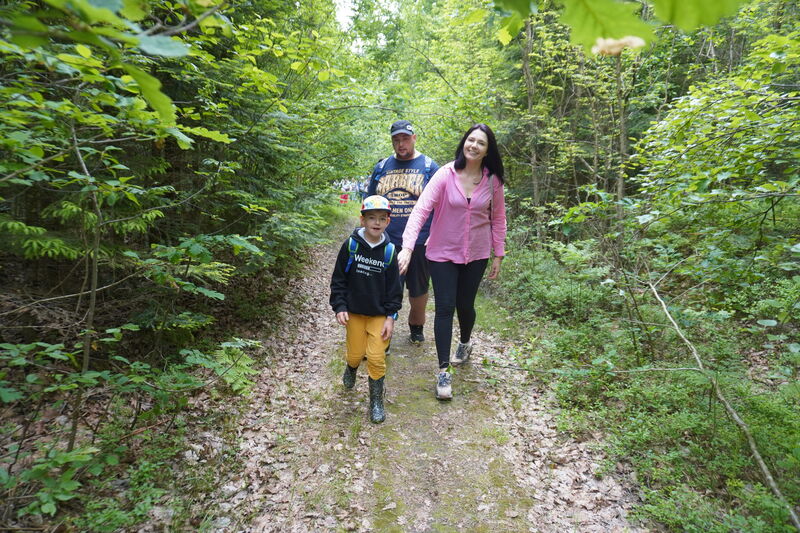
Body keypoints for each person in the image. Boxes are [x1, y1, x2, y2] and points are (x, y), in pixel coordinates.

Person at [398, 124, 507, 400]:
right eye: (470, 140)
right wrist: (408, 248)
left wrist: (499, 253)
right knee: (445, 308)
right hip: (443, 252)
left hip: (477, 254)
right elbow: (421, 209)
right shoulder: (445, 174)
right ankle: (443, 371)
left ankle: (466, 342)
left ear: (487, 150)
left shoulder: (493, 181)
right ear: (464, 143)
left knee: (465, 306)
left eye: (480, 143)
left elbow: (498, 219)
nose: (474, 145)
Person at [366, 119, 440, 346]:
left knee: (418, 290)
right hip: (385, 240)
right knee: (383, 288)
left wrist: (434, 235)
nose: (401, 144)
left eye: (405, 139)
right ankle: (381, 334)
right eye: (396, 140)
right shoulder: (381, 167)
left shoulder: (429, 167)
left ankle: (416, 327)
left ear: (414, 138)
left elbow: (441, 205)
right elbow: (369, 201)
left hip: (420, 240)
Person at [330, 195, 402, 423]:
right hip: (354, 313)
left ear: (388, 222)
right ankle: (351, 368)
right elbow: (339, 279)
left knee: (376, 357)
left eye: (382, 218)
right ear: (363, 220)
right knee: (354, 354)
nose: (377, 223)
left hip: (379, 315)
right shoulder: (350, 246)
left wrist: (391, 316)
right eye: (372, 218)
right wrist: (339, 305)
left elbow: (395, 288)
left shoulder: (390, 251)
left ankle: (376, 401)